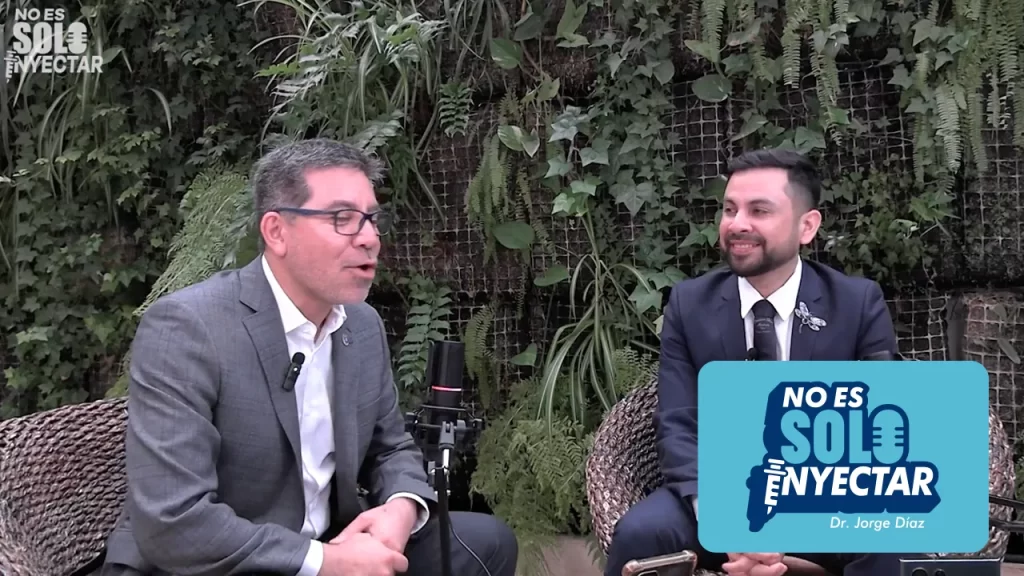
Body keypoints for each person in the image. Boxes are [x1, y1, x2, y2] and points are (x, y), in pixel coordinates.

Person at [100, 139, 518, 576]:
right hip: (212, 561)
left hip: (328, 540)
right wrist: (327, 562)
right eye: (342, 219)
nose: (369, 238)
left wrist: (402, 508)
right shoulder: (188, 328)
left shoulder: (361, 324)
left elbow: (391, 447)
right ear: (277, 232)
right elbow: (174, 520)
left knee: (487, 543)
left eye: (373, 219)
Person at [605, 149, 917, 576]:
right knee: (640, 534)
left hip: (827, 492)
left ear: (807, 226)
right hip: (721, 491)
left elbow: (879, 430)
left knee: (889, 537)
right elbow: (678, 423)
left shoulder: (856, 303)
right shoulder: (689, 305)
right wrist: (726, 521)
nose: (738, 224)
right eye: (729, 209)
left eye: (759, 211)